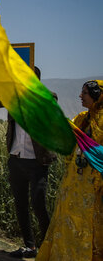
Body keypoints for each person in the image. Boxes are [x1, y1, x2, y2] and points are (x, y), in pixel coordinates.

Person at [0, 67, 56, 259]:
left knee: (38, 204)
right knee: (20, 205)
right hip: (16, 159)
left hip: (38, 163)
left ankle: (49, 247)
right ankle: (30, 247)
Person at [36, 80, 103, 261]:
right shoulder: (82, 118)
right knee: (67, 220)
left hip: (94, 186)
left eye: (85, 93)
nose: (80, 96)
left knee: (89, 226)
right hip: (74, 182)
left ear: (97, 96)